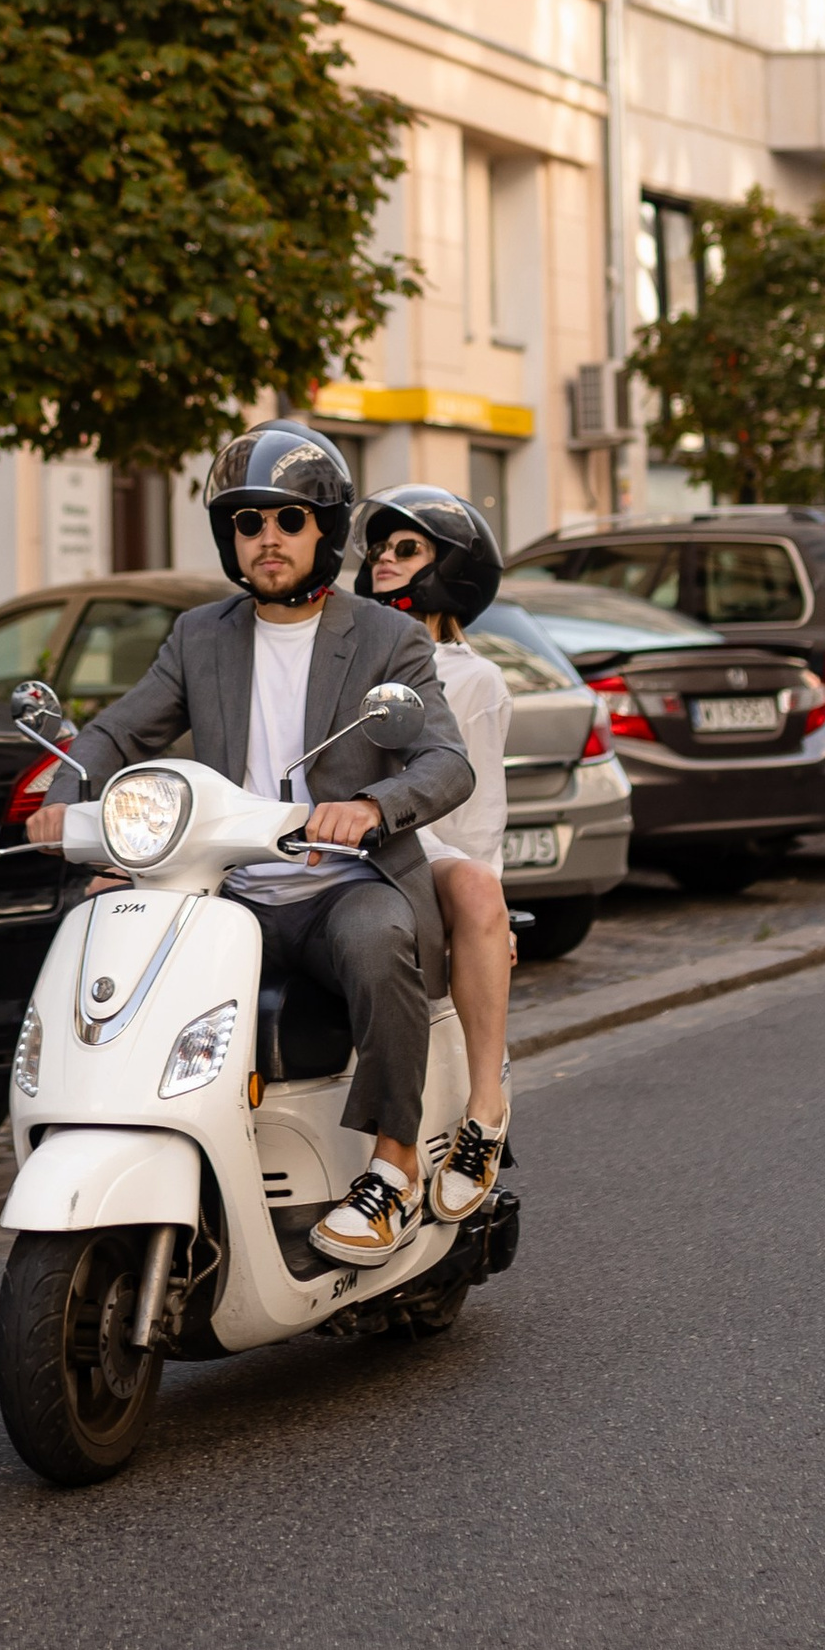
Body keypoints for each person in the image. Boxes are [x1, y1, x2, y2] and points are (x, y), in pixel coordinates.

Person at [30, 423, 471, 1266]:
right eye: (247, 522)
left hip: (347, 882)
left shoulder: (386, 636)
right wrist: (63, 796)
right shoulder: (202, 635)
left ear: (325, 530)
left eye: (288, 519)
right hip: (230, 885)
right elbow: (120, 733)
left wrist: (372, 806)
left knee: (380, 942)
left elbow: (446, 761)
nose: (267, 537)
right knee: (114, 932)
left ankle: (393, 1168)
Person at [353, 488, 514, 1223]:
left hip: (430, 847)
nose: (384, 557)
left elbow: (477, 814)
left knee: (478, 887)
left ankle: (485, 1110)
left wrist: (492, 913)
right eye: (382, 547)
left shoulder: (473, 678)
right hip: (341, 842)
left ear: (452, 569)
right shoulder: (344, 652)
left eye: (407, 548)